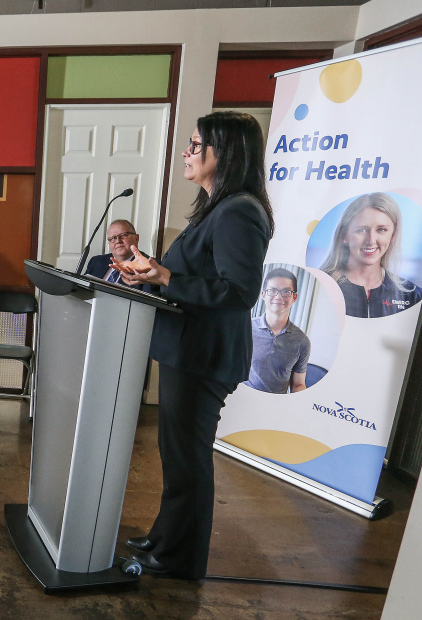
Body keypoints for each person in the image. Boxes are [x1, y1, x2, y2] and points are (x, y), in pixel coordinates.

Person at [118, 111, 273, 579]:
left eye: (194, 144)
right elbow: (196, 279)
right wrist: (152, 275)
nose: (186, 152)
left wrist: (165, 275)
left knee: (188, 459)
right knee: (178, 455)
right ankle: (165, 536)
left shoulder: (239, 210)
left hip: (205, 355)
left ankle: (179, 557)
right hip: (189, 349)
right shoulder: (215, 208)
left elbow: (240, 291)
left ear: (221, 153)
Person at [318, 192, 422, 318]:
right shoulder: (318, 287)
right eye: (361, 230)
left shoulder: (414, 296)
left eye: (381, 229)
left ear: (393, 235)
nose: (371, 240)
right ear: (344, 235)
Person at [244, 268, 310, 394]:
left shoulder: (302, 341)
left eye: (286, 291)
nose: (278, 297)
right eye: (272, 291)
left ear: (294, 297)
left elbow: (298, 384)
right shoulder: (246, 328)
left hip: (275, 406)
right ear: (263, 294)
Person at [84, 219, 139, 285]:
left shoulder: (148, 268)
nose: (118, 241)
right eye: (113, 238)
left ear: (136, 238)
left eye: (123, 235)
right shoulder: (96, 262)